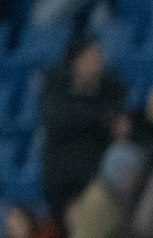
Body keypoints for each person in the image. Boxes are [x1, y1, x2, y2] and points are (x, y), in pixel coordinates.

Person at [37, 35, 127, 227]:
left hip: (96, 177)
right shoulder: (55, 91)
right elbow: (57, 118)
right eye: (90, 57)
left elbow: (118, 124)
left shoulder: (111, 89)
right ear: (75, 62)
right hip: (63, 180)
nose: (97, 62)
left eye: (98, 56)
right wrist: (99, 118)